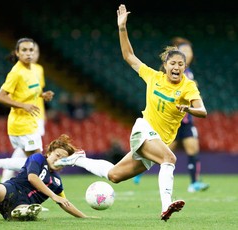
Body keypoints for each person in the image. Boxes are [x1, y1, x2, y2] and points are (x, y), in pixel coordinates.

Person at [54, 4, 207, 222]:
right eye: (172, 63)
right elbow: (128, 56)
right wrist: (122, 27)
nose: (177, 67)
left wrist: (189, 108)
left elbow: (202, 111)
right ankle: (166, 206)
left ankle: (77, 160)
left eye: (180, 64)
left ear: (184, 67)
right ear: (165, 65)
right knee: (169, 159)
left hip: (158, 140)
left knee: (114, 175)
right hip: (143, 130)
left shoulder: (188, 86)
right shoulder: (153, 77)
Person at [0, 135, 91, 221]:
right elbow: (32, 178)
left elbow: (64, 202)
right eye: (57, 155)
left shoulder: (57, 182)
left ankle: (22, 212)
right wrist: (53, 196)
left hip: (24, 202)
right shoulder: (38, 158)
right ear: (49, 152)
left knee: (26, 211)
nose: (58, 160)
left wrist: (85, 217)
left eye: (62, 159)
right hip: (12, 190)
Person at [0, 38, 54, 183]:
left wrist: (42, 95)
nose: (29, 53)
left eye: (31, 50)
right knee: (37, 164)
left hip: (30, 121)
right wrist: (24, 106)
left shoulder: (32, 70)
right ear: (17, 52)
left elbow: (26, 91)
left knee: (33, 163)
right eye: (24, 50)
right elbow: (0, 97)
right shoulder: (16, 72)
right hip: (22, 125)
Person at [168, 37, 209, 193]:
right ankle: (141, 169)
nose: (188, 54)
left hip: (186, 120)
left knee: (193, 149)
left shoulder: (189, 72)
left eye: (189, 51)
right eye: (184, 51)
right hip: (172, 120)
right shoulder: (173, 71)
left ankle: (194, 183)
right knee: (164, 154)